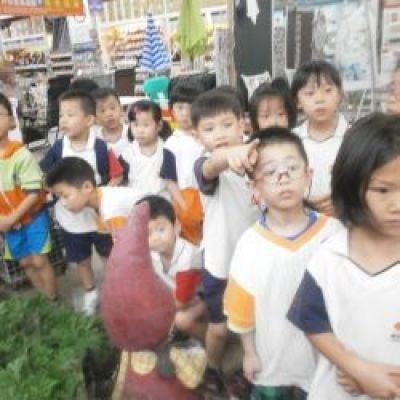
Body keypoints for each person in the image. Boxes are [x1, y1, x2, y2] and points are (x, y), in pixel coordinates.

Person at [288, 113, 400, 399]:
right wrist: (356, 368)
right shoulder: (331, 256)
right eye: (382, 190)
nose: (397, 204)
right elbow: (311, 320)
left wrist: (373, 379)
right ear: (351, 185)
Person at [224, 127, 341, 400]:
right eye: (270, 171)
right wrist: (249, 352)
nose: (283, 177)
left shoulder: (333, 233)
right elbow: (241, 308)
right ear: (255, 187)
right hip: (272, 362)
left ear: (308, 175)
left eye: (292, 168)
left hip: (326, 363)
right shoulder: (250, 244)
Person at [192, 88, 259, 393]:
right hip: (220, 264)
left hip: (255, 264)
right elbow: (213, 165)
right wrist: (231, 155)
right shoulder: (204, 165)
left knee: (256, 324)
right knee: (218, 329)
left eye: (227, 124)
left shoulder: (257, 156)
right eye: (209, 129)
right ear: (197, 136)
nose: (219, 134)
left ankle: (250, 373)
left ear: (243, 123)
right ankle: (212, 368)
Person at [40, 89, 122, 315]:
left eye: (70, 115)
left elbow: (116, 175)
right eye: (61, 115)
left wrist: (102, 196)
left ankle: (115, 291)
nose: (63, 120)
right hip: (71, 221)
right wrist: (59, 193)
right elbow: (46, 177)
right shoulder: (58, 149)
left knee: (108, 256)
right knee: (81, 259)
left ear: (88, 120)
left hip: (99, 219)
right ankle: (90, 292)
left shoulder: (100, 147)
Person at [0, 92, 57, 299]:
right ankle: (43, 300)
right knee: (25, 262)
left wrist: (10, 219)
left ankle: (53, 300)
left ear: (12, 121)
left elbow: (34, 193)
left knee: (39, 261)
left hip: (32, 217)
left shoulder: (20, 155)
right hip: (8, 222)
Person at [136, 195, 207, 341]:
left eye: (161, 229)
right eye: (147, 233)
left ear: (176, 227)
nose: (155, 238)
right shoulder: (151, 253)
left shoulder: (188, 258)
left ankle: (206, 339)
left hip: (204, 298)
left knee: (181, 320)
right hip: (181, 295)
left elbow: (182, 302)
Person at [292, 60, 348, 216]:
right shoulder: (291, 141)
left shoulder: (353, 137)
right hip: (303, 220)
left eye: (328, 90)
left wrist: (344, 201)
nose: (320, 99)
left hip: (345, 221)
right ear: (297, 102)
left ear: (340, 94)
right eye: (310, 93)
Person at [45, 156, 140, 240]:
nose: (63, 203)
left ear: (87, 187)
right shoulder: (98, 200)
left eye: (65, 196)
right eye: (59, 197)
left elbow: (128, 249)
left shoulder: (111, 209)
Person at [160, 81, 204, 245]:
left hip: (208, 197)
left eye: (191, 107)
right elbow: (169, 180)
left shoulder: (206, 137)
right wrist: (183, 205)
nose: (185, 113)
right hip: (186, 200)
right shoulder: (171, 144)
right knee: (192, 244)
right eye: (180, 108)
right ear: (172, 111)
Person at [119, 100, 169, 198]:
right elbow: (121, 180)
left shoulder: (167, 150)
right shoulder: (127, 153)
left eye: (146, 125)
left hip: (162, 200)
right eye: (135, 125)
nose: (140, 131)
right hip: (135, 200)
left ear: (159, 125)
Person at [93, 88, 130, 158]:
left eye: (112, 108)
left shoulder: (131, 133)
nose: (109, 114)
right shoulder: (94, 136)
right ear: (95, 117)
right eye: (102, 111)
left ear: (121, 109)